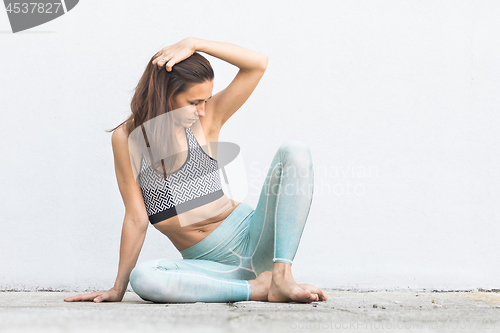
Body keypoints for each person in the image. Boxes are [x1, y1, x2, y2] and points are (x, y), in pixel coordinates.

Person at [64, 37, 328, 304]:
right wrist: (117, 289)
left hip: (254, 239)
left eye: (206, 100)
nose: (202, 110)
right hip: (208, 267)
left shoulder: (207, 120)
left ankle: (281, 276)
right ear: (166, 95)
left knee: (295, 151)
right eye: (194, 102)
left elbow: (257, 64)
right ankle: (257, 289)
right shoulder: (127, 138)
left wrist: (196, 43)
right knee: (143, 278)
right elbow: (136, 217)